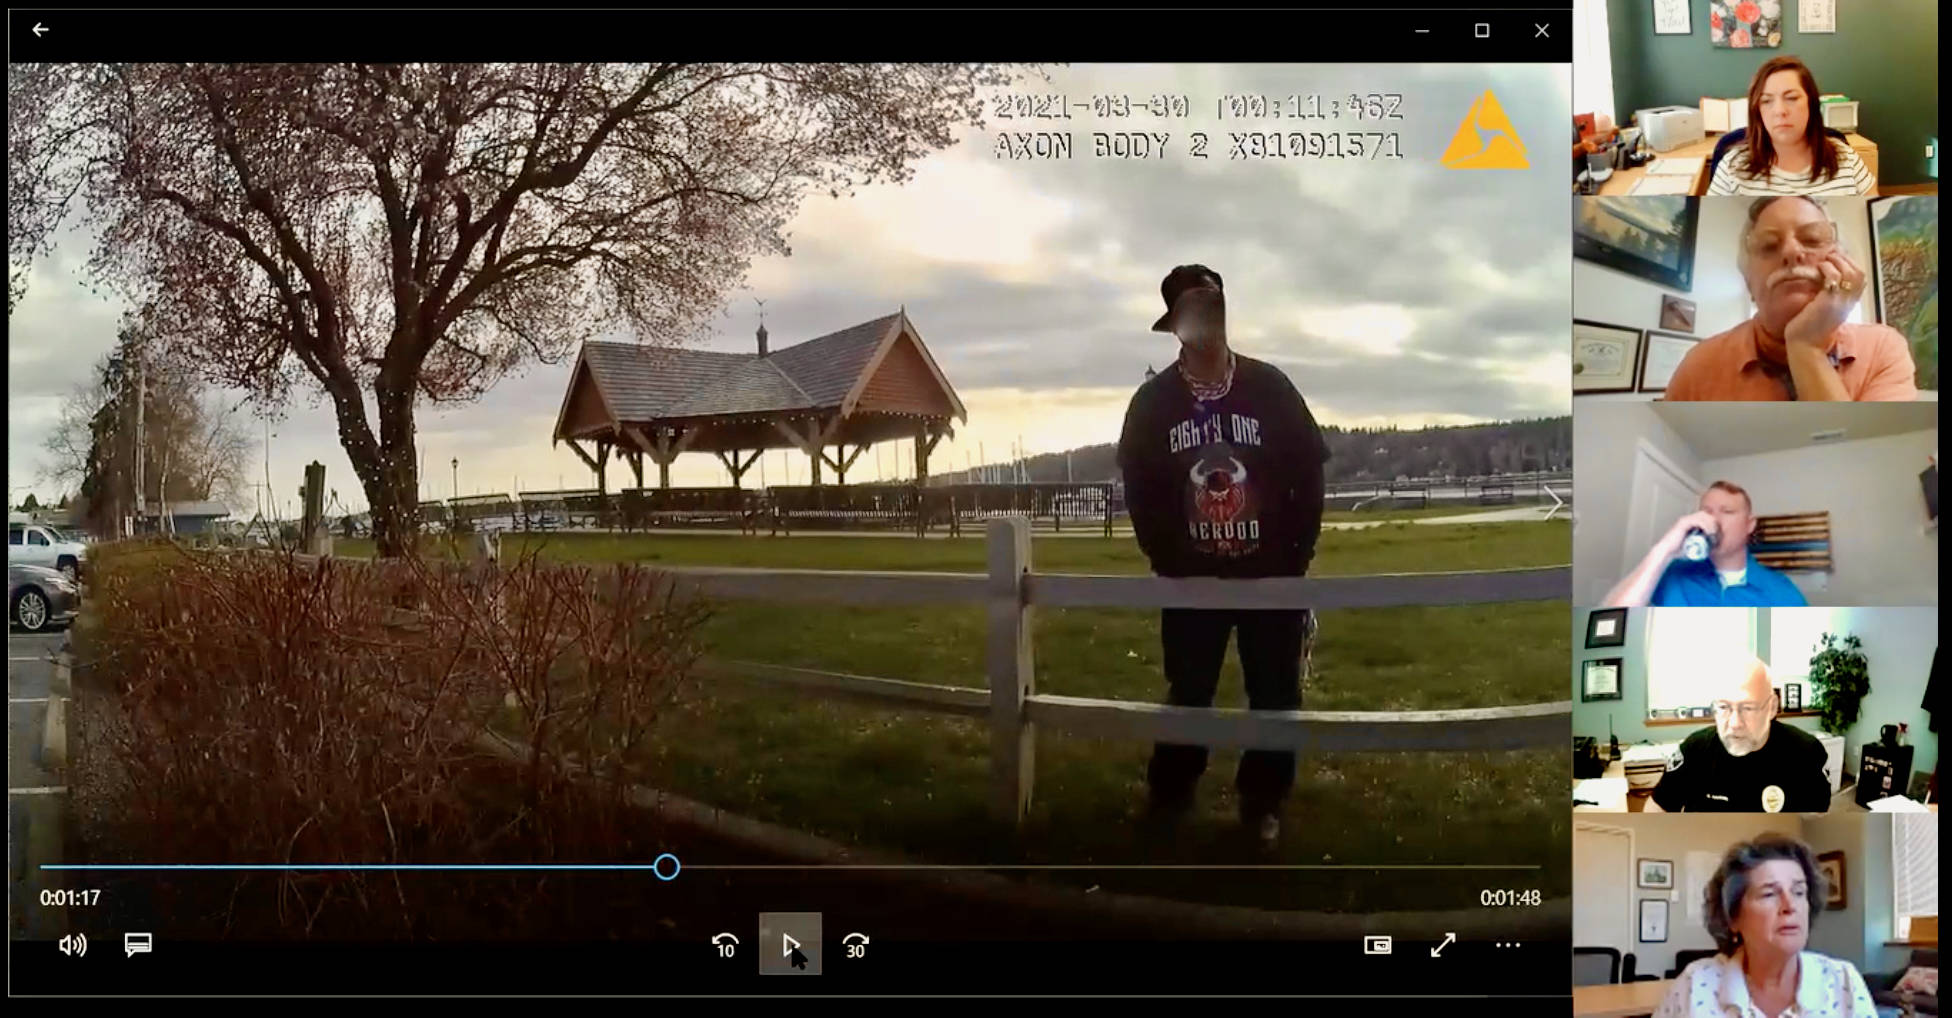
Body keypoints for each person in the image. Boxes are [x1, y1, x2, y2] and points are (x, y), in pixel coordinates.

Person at [1117, 264, 1329, 847]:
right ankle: (1172, 795)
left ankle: (1263, 803)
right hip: (1193, 582)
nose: (1205, 318)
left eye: (1213, 304)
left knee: (1275, 694)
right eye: (1192, 308)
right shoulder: (1155, 403)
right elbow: (1139, 484)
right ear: (1173, 325)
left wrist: (1295, 558)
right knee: (1188, 692)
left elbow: (1308, 473)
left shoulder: (1270, 389)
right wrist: (1167, 560)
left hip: (1271, 576)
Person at [1665, 196, 1918, 401]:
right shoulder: (1698, 366)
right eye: (1769, 245)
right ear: (1748, 283)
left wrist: (1806, 347)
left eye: (1812, 239)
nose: (1791, 252)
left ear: (1843, 265)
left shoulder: (1883, 348)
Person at [1653, 834, 1877, 1017]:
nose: (1790, 906)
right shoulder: (1695, 984)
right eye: (1769, 894)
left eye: (1799, 892)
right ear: (1733, 917)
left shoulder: (1843, 980)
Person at [1646, 656, 1832, 814]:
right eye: (1724, 707)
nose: (1734, 724)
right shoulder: (1694, 750)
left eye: (1748, 708)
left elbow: (1815, 826)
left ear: (1772, 707)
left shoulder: (1806, 753)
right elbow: (1657, 809)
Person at [1601, 480, 1808, 608]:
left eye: (1727, 512)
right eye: (1707, 512)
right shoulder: (1672, 574)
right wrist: (1663, 551)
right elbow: (1608, 622)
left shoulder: (1783, 592)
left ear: (1749, 525)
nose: (1714, 520)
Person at [1707, 56, 1875, 196]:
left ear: (1811, 103)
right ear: (1757, 111)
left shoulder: (1847, 160)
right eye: (1766, 101)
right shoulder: (1732, 168)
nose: (1780, 111)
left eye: (1792, 98)